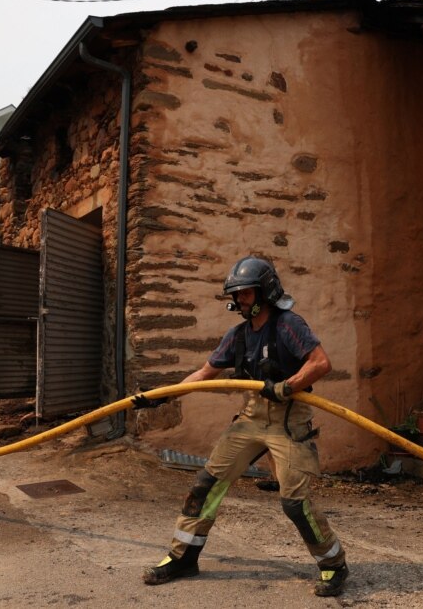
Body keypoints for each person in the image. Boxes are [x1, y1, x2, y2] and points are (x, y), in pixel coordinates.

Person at [134, 256, 349, 597]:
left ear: (265, 293)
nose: (239, 300)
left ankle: (333, 564)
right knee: (206, 485)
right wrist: (161, 396)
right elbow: (204, 374)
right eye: (236, 295)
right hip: (251, 417)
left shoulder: (288, 325)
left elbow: (321, 363)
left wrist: (287, 386)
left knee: (294, 502)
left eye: (246, 293)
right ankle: (183, 558)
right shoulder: (237, 336)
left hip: (289, 419)